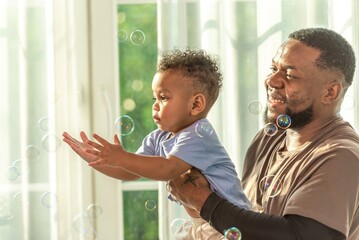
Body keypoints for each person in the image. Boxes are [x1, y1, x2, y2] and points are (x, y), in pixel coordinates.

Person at [168, 27, 359, 240]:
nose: (272, 81)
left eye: (289, 75)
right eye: (273, 68)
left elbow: (303, 235)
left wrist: (206, 202)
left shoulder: (343, 156)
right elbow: (246, 227)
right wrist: (198, 200)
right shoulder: (267, 140)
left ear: (330, 92)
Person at [63, 48, 251, 240]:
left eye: (164, 98)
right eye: (155, 98)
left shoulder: (199, 135)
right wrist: (99, 160)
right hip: (203, 224)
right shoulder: (159, 137)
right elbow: (128, 172)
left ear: (196, 105)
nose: (155, 105)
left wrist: (122, 157)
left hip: (228, 225)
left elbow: (167, 169)